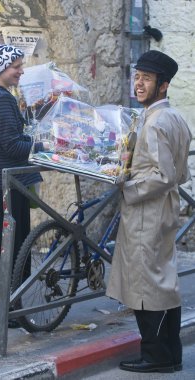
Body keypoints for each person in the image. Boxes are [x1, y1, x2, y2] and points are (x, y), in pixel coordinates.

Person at [106, 50, 192, 373]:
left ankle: (155, 355)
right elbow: (180, 174)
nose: (139, 84)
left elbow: (165, 175)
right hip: (164, 208)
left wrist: (128, 187)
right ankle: (171, 354)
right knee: (163, 279)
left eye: (147, 79)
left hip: (147, 210)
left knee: (146, 284)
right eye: (137, 77)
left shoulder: (155, 123)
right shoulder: (175, 118)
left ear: (163, 85)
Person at [0, 44, 48, 328]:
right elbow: (13, 145)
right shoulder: (1, 99)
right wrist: (44, 144)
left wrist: (26, 116)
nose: (21, 71)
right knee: (12, 250)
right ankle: (8, 309)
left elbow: (4, 137)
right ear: (0, 68)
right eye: (16, 66)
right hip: (9, 185)